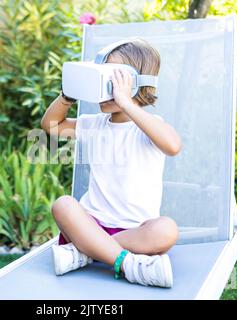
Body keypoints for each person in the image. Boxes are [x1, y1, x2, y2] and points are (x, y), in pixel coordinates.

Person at [40, 39, 182, 287]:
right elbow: (51, 126)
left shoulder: (148, 127)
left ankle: (86, 252)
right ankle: (128, 265)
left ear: (135, 84)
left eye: (111, 81)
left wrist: (126, 101)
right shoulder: (94, 123)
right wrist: (67, 95)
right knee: (63, 205)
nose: (103, 90)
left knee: (167, 230)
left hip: (135, 233)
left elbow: (172, 145)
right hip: (91, 224)